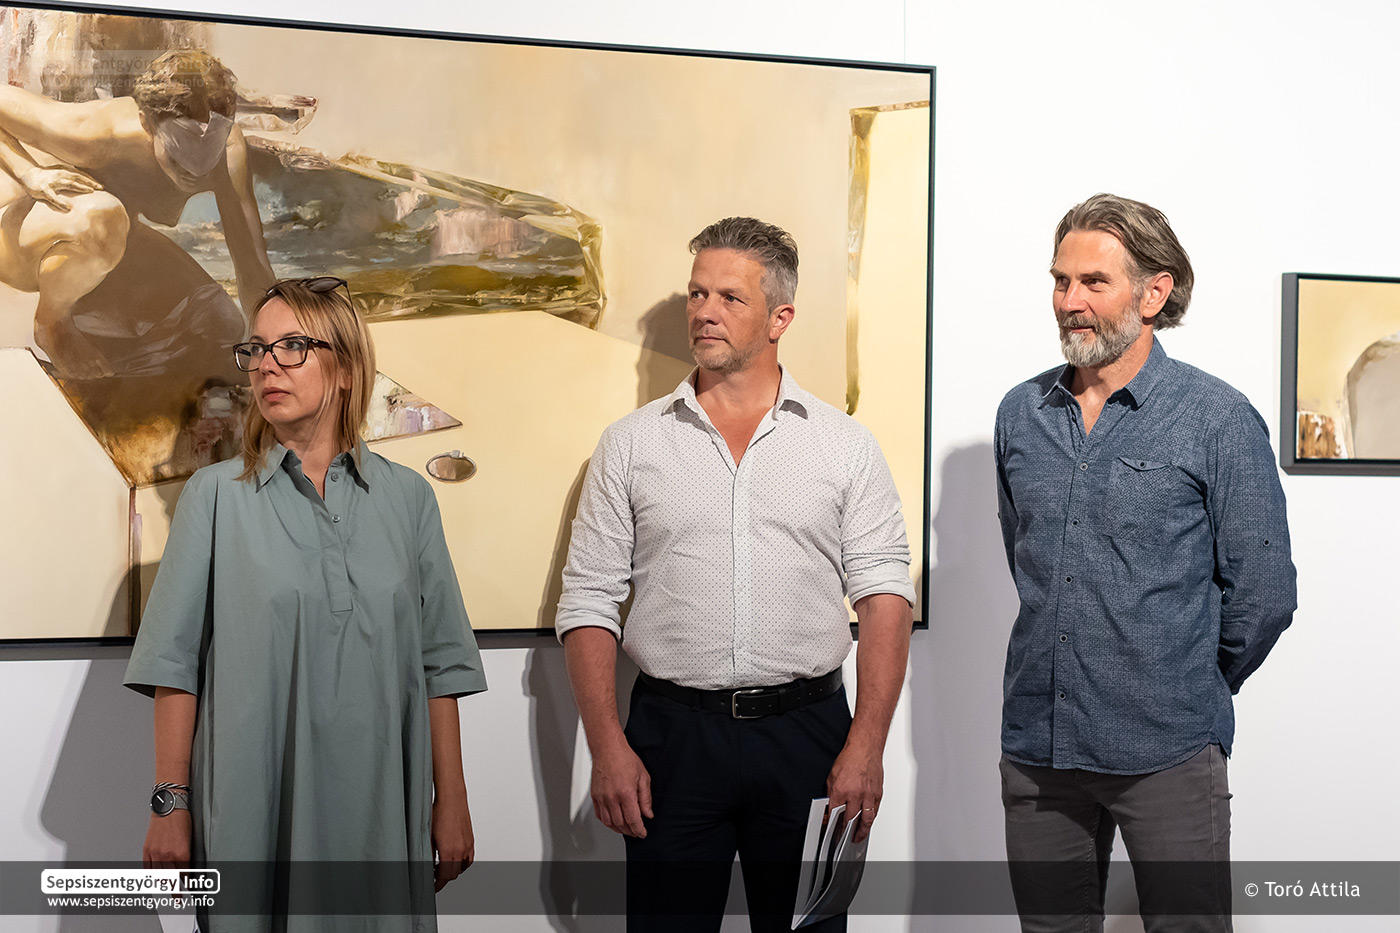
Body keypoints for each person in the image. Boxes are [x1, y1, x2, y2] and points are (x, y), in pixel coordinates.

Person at [556, 217, 915, 931]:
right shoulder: (630, 445)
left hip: (809, 737)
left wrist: (866, 747)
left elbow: (884, 597)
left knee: (811, 929)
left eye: (729, 296)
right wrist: (607, 746)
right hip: (671, 740)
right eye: (697, 293)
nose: (704, 311)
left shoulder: (845, 446)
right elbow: (589, 600)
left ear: (780, 317)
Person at [124, 277, 486, 931]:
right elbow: (174, 665)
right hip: (253, 813)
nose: (267, 365)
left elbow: (440, 665)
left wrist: (452, 799)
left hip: (382, 813)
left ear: (344, 368)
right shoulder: (214, 497)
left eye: (291, 346)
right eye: (257, 349)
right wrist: (169, 804)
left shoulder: (408, 499)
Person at [993, 193, 1297, 932]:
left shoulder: (1218, 418)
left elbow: (1264, 595)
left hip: (1168, 751)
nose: (1069, 301)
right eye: (1061, 280)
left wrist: (1182, 678)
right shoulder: (1020, 414)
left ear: (1154, 293)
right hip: (1040, 749)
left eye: (1094, 282)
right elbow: (1028, 562)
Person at [0, 48, 274, 378]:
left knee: (219, 320)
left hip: (107, 243)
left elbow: (251, 261)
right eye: (178, 159)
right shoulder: (96, 133)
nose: (195, 172)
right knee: (105, 217)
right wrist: (29, 173)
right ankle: (52, 324)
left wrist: (272, 344)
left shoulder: (228, 150)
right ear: (147, 124)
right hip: (20, 238)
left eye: (208, 157)